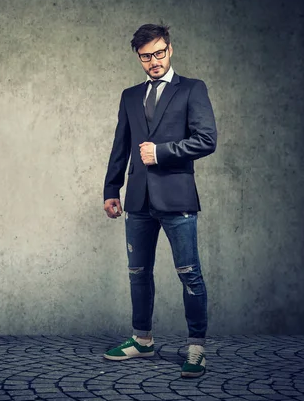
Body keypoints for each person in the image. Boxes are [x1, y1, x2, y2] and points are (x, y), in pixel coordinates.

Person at [102, 23, 217, 378]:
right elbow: (121, 146)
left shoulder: (192, 90)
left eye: (159, 53)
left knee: (189, 274)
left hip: (177, 197)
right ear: (138, 58)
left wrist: (162, 152)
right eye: (146, 56)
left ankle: (196, 347)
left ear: (170, 49)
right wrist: (111, 190)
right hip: (137, 200)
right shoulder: (130, 95)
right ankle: (142, 340)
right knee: (138, 274)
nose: (154, 61)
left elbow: (207, 139)